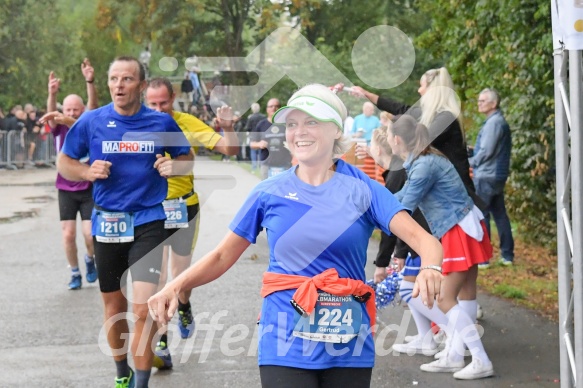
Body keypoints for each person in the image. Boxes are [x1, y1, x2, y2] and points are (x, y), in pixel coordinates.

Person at [148, 84, 443, 388]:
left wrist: (430, 268)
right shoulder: (268, 193)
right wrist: (175, 286)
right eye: (292, 124)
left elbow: (426, 241)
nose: (299, 132)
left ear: (335, 131)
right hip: (284, 336)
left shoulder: (364, 190)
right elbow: (223, 255)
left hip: (348, 340)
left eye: (311, 122)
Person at [56, 56, 194, 388]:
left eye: (127, 79)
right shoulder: (92, 122)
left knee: (144, 308)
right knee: (114, 307)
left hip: (150, 221)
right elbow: (64, 162)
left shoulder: (160, 124)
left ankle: (142, 382)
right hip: (108, 223)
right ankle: (123, 372)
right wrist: (87, 172)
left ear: (141, 85)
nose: (119, 85)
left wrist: (172, 168)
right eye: (114, 79)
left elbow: (187, 159)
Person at [389, 114, 494, 380]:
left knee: (445, 298)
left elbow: (405, 203)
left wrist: (371, 203)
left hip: (458, 229)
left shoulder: (423, 165)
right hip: (465, 224)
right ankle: (455, 355)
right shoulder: (426, 158)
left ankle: (481, 359)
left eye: (389, 136)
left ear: (397, 139)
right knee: (465, 296)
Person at [144, 76, 239, 370]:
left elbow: (229, 149)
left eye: (164, 102)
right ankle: (161, 342)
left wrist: (229, 127)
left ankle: (184, 304)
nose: (159, 109)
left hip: (184, 207)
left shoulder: (185, 122)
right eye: (153, 104)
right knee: (157, 281)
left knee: (179, 277)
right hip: (151, 211)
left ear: (173, 98)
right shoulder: (138, 123)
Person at [337, 68, 486, 212]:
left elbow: (418, 141)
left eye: (422, 86)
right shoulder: (432, 115)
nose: (419, 91)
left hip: (457, 196)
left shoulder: (446, 118)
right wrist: (366, 94)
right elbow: (401, 109)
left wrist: (381, 150)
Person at [366, 126, 436, 356]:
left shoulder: (396, 174)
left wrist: (383, 263)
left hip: (423, 238)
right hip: (417, 240)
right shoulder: (395, 171)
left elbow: (394, 223)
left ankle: (455, 333)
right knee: (410, 289)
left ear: (378, 149)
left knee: (409, 290)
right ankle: (429, 338)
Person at [40, 59, 99, 290]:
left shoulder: (88, 123)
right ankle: (75, 273)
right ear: (62, 110)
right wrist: (52, 93)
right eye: (68, 109)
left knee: (89, 234)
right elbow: (50, 113)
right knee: (67, 235)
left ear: (82, 110)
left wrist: (89, 81)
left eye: (76, 109)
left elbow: (93, 107)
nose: (71, 112)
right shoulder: (59, 126)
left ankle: (89, 259)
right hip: (65, 186)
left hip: (87, 186)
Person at [470, 88, 514, 267]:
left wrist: (469, 162)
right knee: (499, 214)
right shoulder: (495, 122)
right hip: (495, 174)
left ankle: (483, 258)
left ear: (493, 103)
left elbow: (486, 152)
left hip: (487, 175)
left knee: (482, 214)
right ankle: (507, 256)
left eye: (483, 101)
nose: (479, 104)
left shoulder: (494, 123)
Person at [249, 98, 292, 179]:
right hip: (266, 165)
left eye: (276, 106)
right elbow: (252, 144)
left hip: (285, 164)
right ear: (267, 109)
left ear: (280, 109)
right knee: (267, 190)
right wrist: (259, 144)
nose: (274, 108)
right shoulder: (261, 125)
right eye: (271, 106)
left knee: (285, 190)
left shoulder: (286, 124)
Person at [244, 102, 266, 169]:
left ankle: (254, 166)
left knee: (253, 151)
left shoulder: (251, 117)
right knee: (261, 150)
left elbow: (247, 128)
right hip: (261, 135)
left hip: (253, 135)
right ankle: (260, 165)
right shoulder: (263, 117)